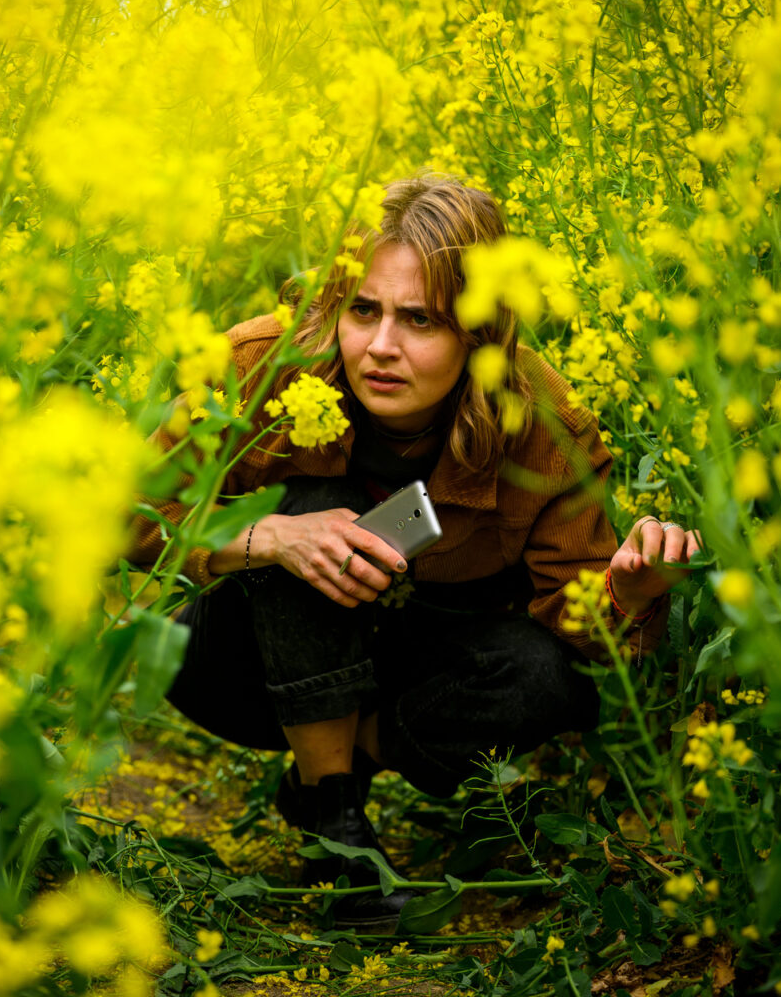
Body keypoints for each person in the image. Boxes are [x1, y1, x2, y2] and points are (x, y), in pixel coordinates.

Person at [126, 174, 702, 931]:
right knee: (307, 513)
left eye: (420, 320)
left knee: (548, 680)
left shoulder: (542, 423)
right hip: (238, 665)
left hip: (415, 659)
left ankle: (325, 768)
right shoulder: (262, 364)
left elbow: (575, 627)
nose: (380, 348)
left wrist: (628, 588)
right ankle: (336, 836)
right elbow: (128, 520)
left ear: (477, 332)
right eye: (364, 311)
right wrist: (266, 535)